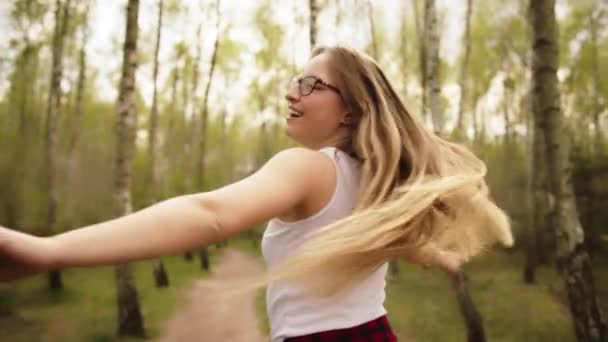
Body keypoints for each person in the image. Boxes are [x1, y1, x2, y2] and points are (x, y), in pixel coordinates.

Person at [0, 46, 513, 341]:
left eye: (312, 85)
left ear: (350, 111)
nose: (293, 92)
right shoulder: (373, 184)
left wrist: (50, 251)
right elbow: (390, 242)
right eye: (296, 81)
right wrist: (435, 256)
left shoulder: (308, 169)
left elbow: (211, 213)